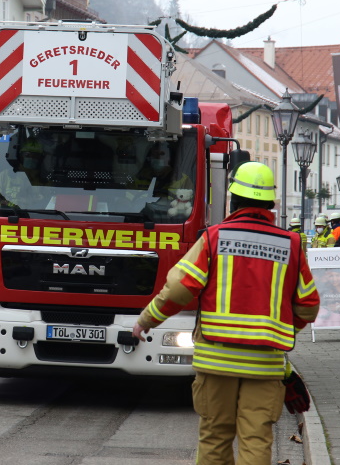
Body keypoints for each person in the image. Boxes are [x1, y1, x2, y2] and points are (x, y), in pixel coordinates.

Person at [131, 161, 320, 465]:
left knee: (216, 436)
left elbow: (180, 289)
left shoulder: (214, 238)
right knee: (256, 440)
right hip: (265, 364)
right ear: (270, 204)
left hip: (215, 361)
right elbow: (308, 306)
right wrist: (282, 329)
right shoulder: (292, 244)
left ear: (234, 200)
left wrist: (146, 320)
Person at [0, 139, 46, 209]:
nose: (31, 158)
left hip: (33, 217)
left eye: (35, 156)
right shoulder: (7, 175)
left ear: (40, 158)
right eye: (27, 155)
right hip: (7, 216)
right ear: (20, 156)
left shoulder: (44, 180)